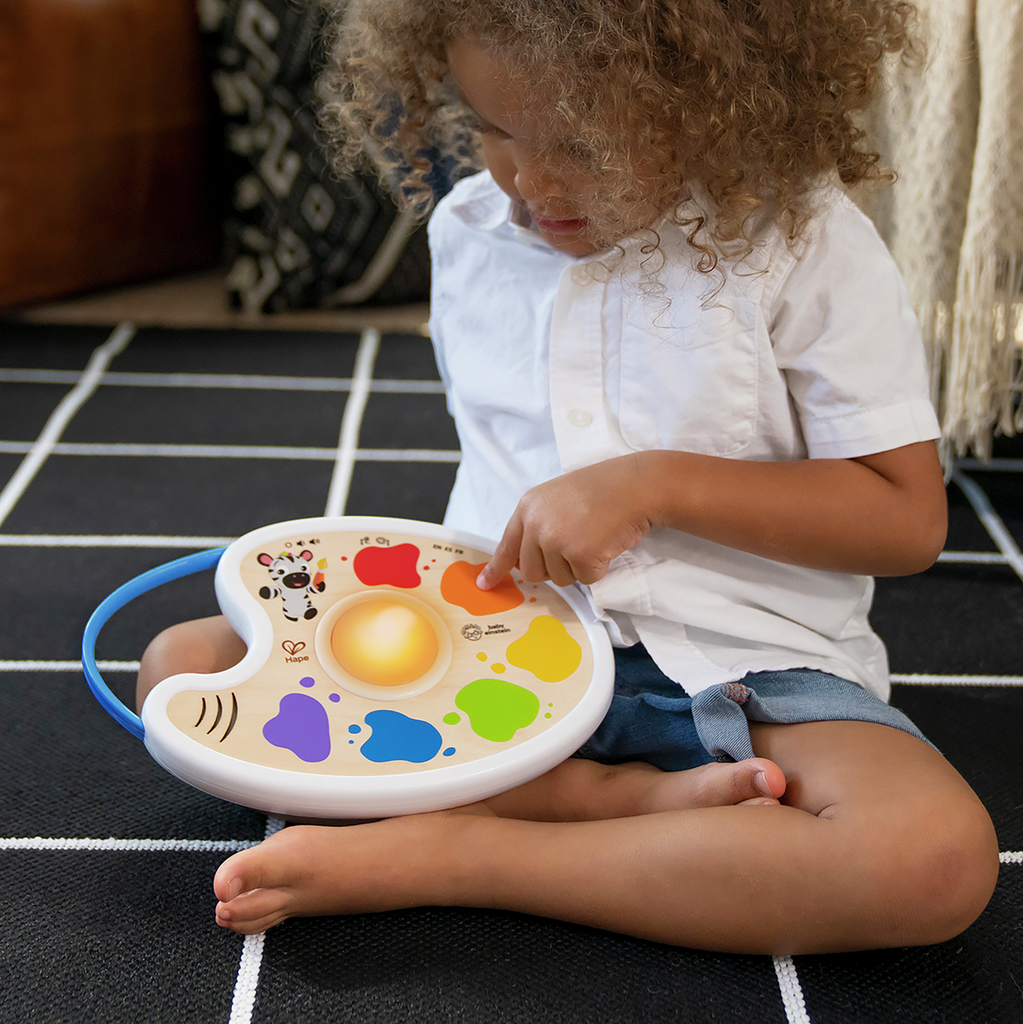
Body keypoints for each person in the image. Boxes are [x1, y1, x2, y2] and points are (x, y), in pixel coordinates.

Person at [137, 0, 999, 953]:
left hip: (743, 666)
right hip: (488, 645)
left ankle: (455, 856)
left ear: (720, 102)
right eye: (492, 128)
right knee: (182, 670)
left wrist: (653, 485)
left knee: (930, 859)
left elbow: (904, 520)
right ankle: (611, 806)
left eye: (585, 145)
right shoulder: (469, 229)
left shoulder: (803, 242)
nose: (530, 180)